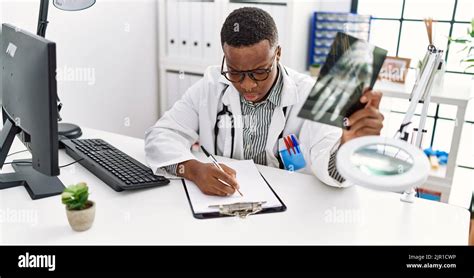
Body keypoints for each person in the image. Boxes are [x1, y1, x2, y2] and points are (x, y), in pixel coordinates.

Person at [145, 7, 384, 196]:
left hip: (290, 213)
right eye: (236, 73)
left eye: (260, 72)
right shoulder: (210, 86)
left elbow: (330, 173)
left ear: (277, 54)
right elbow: (160, 135)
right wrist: (193, 169)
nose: (248, 85)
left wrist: (347, 147)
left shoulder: (311, 93)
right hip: (225, 206)